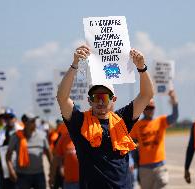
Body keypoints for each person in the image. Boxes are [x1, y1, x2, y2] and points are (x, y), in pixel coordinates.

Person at [57, 45, 154, 188]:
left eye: (105, 96)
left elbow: (146, 95)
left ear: (113, 99)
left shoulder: (121, 119)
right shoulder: (80, 122)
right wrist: (74, 64)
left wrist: (142, 68)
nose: (100, 101)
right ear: (89, 100)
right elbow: (62, 98)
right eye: (96, 97)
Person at [130, 90, 179, 189]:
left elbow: (174, 117)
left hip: (160, 166)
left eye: (152, 108)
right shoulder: (137, 125)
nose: (150, 110)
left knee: (163, 182)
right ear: (143, 109)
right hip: (144, 167)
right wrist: (132, 162)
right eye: (147, 108)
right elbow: (131, 145)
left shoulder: (160, 121)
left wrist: (174, 101)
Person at [6, 113, 52, 189]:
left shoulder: (42, 135)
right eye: (32, 121)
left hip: (39, 174)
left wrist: (52, 171)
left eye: (34, 121)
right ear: (25, 123)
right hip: (22, 175)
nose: (34, 123)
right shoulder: (16, 137)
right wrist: (11, 171)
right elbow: (8, 156)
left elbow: (49, 154)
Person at [0, 108, 22, 189]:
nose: (9, 120)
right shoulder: (1, 134)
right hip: (4, 169)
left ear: (15, 119)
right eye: (6, 118)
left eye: (11, 117)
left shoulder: (21, 131)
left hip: (20, 168)